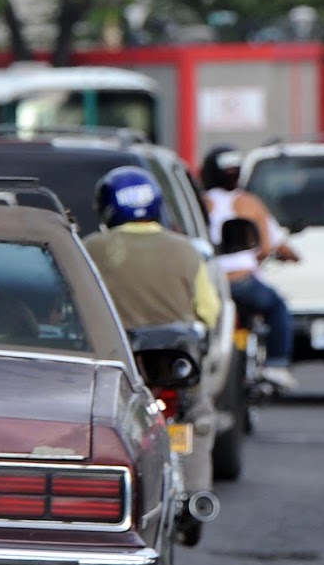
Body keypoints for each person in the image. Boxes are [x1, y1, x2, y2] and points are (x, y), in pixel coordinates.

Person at [81, 166, 222, 495]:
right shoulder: (186, 249)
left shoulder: (91, 248)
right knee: (197, 419)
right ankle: (195, 495)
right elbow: (209, 312)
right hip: (176, 367)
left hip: (119, 366)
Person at [200, 146, 300, 393]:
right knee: (277, 305)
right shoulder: (249, 203)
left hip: (210, 283)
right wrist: (291, 256)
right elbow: (268, 246)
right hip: (243, 282)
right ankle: (276, 364)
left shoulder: (200, 203)